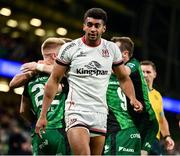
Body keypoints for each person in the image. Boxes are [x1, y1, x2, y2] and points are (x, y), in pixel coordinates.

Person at [35, 8, 143, 155]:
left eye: (97, 25)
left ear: (103, 28)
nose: (93, 29)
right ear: (84, 26)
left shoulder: (111, 49)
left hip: (100, 112)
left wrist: (132, 98)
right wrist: (43, 115)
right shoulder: (70, 48)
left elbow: (123, 78)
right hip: (76, 111)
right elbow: (54, 80)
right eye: (89, 24)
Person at [9, 37, 71, 155]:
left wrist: (37, 121)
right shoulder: (64, 75)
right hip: (61, 130)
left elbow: (23, 111)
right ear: (55, 56)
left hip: (39, 132)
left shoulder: (32, 78)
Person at [110, 37, 159, 155]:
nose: (110, 54)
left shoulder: (133, 64)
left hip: (147, 120)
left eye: (113, 51)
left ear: (125, 54)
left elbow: (123, 73)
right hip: (132, 120)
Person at [140, 60, 175, 155]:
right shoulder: (132, 92)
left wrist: (167, 136)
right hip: (138, 137)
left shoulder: (157, 95)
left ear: (154, 74)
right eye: (142, 72)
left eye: (148, 72)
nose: (145, 75)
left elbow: (161, 119)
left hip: (154, 140)